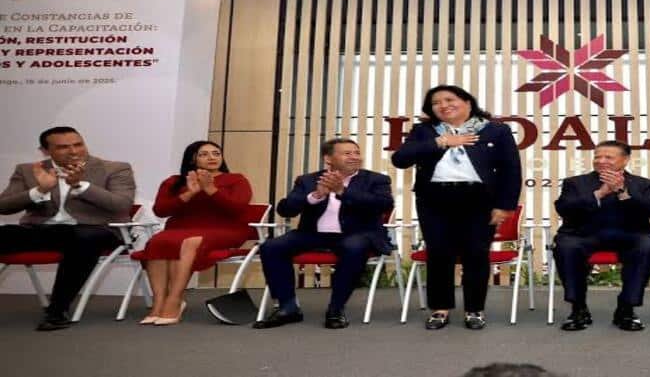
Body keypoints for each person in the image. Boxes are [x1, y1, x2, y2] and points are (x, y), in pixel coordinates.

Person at [391, 84, 521, 330]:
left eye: (449, 99)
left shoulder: (495, 130)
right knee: (439, 253)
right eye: (436, 103)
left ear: (467, 102)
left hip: (479, 199)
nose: (443, 105)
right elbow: (400, 160)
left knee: (476, 253)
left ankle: (474, 309)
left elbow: (510, 170)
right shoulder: (424, 131)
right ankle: (440, 309)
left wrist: (505, 205)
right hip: (434, 199)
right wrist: (441, 141)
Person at [0, 127, 135, 331]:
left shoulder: (115, 168)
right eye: (63, 147)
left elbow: (121, 205)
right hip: (44, 231)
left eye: (78, 144)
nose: (73, 151)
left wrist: (80, 185)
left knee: (83, 238)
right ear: (46, 150)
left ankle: (57, 311)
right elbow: (4, 206)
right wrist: (39, 190)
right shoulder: (27, 170)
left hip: (97, 231)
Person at [253, 138, 393, 329]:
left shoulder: (376, 180)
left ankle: (336, 310)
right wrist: (315, 196)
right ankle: (288, 307)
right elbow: (285, 210)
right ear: (328, 159)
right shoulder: (308, 180)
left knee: (354, 247)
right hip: (313, 234)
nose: (354, 157)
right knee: (271, 247)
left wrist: (342, 191)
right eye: (347, 153)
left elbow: (383, 205)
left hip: (356, 234)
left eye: (357, 153)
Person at [135, 140, 253, 326]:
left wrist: (210, 189)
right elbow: (161, 211)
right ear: (192, 159)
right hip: (180, 228)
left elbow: (237, 208)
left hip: (225, 229)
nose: (212, 157)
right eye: (204, 154)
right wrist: (189, 193)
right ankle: (158, 304)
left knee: (190, 241)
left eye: (216, 153)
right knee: (157, 241)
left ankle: (174, 301)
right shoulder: (174, 181)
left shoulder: (236, 180)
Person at [552, 141, 650, 331]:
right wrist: (599, 193)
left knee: (648, 246)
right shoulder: (575, 183)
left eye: (608, 157)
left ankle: (626, 309)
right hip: (583, 235)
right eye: (597, 156)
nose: (601, 160)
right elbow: (564, 209)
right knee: (567, 247)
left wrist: (622, 193)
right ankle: (578, 309)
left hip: (630, 235)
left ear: (625, 160)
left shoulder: (644, 184)